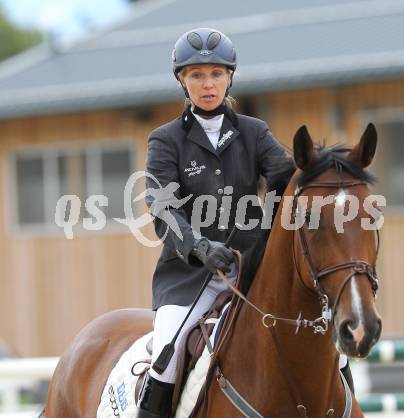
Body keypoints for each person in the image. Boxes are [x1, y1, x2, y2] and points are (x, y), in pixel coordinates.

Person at [137, 28, 296, 418]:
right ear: (182, 80)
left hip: (253, 269)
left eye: (215, 74)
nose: (207, 84)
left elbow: (287, 179)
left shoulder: (253, 132)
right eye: (196, 75)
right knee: (167, 354)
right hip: (190, 277)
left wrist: (270, 233)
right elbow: (162, 210)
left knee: (327, 344)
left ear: (230, 77)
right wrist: (198, 247)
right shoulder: (166, 140)